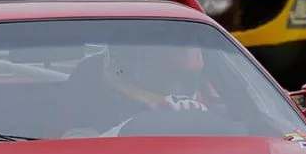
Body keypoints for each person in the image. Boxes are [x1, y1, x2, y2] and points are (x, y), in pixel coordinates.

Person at [61, 42, 216, 136]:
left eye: (184, 78)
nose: (175, 88)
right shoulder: (83, 137)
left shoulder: (213, 117)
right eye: (164, 75)